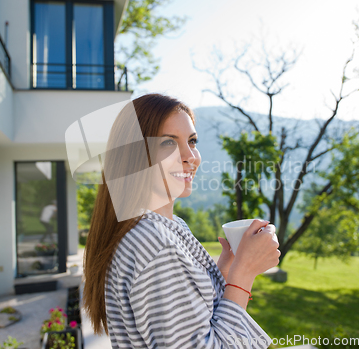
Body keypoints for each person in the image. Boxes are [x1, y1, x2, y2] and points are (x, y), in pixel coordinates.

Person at [83, 94, 280, 348]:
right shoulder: (153, 243)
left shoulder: (166, 225)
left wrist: (222, 272)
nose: (191, 156)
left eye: (192, 141)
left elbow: (187, 315)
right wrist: (244, 274)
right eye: (167, 143)